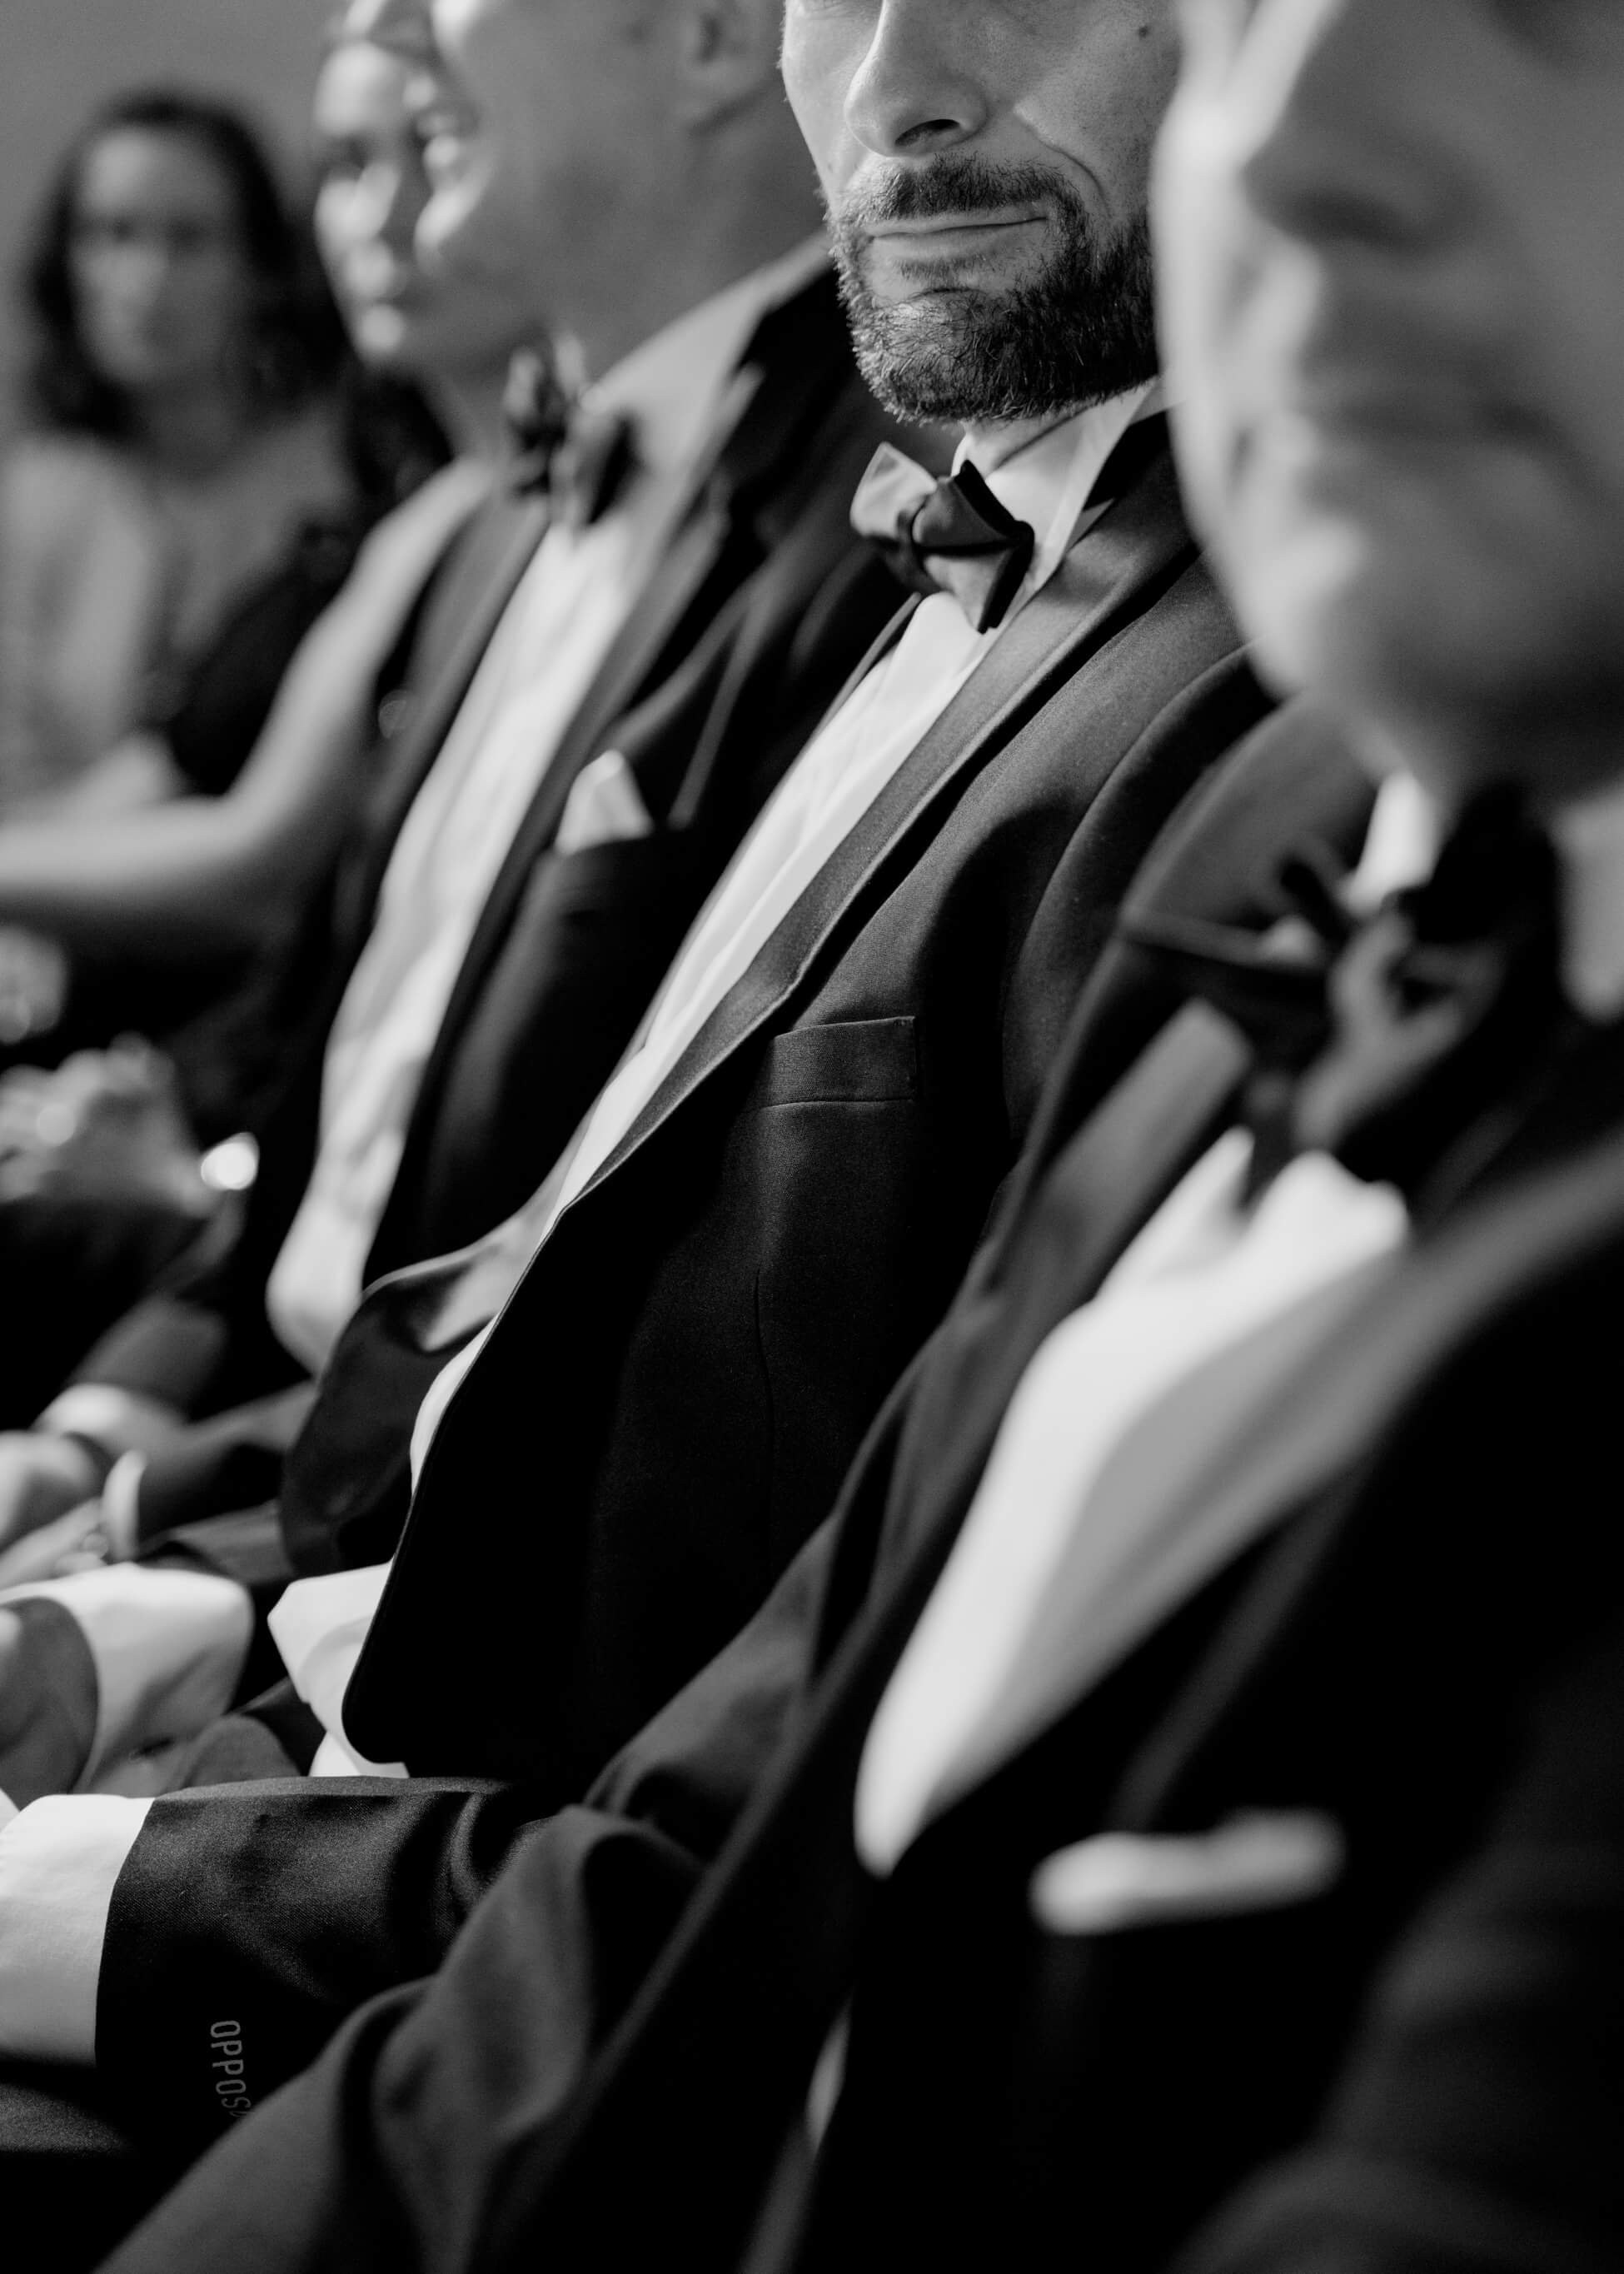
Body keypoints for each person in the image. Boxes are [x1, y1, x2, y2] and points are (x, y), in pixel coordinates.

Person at [22, 0, 1624, 2265]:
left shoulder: (1225, 754)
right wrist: (152, 1615)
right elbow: (751, 1816)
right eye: (1267, 25)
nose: (1291, 154)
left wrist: (113, 1863)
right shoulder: (1294, 917)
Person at [0, 0, 915, 1571]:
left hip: (417, 1541)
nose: (374, 21)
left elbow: (638, 1293)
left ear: (706, 44)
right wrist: (95, 1435)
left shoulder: (870, 529)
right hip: (247, 1422)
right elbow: (334, 1123)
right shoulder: (501, 519)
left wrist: (167, 1538)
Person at [0, 0, 544, 1425]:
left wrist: (210, 1160)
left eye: (430, 148)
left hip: (247, 1138)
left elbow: (261, 862)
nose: (384, 216)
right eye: (349, 168)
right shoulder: (404, 521)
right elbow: (139, 784)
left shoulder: (426, 507)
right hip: (211, 1104)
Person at [0, 91, 357, 816]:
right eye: (111, 234)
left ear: (260, 270)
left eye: (189, 239)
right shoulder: (34, 497)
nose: (147, 279)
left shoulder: (342, 485)